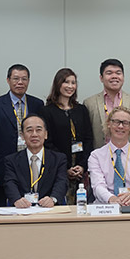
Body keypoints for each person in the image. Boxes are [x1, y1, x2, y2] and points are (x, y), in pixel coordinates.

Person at [3, 114, 67, 259]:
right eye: (29, 130)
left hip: (51, 213)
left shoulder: (59, 158)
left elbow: (62, 182)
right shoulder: (11, 160)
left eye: (39, 129)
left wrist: (54, 198)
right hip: (23, 213)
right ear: (22, 135)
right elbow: (9, 182)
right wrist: (16, 198)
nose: (34, 134)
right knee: (19, 244)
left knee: (61, 242)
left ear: (46, 134)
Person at [0, 64, 44, 206]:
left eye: (24, 79)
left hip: (32, 163)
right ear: (8, 80)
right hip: (4, 165)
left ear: (29, 81)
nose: (20, 82)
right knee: (7, 204)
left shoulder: (37, 104)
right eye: (16, 78)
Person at [43, 68, 94, 204]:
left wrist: (82, 166)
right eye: (66, 82)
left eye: (73, 83)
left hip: (80, 169)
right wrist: (65, 167)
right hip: (58, 168)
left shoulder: (81, 109)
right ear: (58, 84)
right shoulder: (47, 111)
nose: (70, 86)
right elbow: (47, 143)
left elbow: (88, 139)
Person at [88, 107, 130, 205]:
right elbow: (97, 185)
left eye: (125, 123)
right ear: (109, 124)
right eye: (116, 122)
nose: (120, 126)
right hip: (105, 207)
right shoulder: (96, 156)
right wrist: (111, 199)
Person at [83, 59, 130, 149]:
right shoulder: (89, 103)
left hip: (128, 157)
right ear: (101, 78)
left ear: (123, 77)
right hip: (100, 157)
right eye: (109, 73)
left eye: (118, 73)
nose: (114, 76)